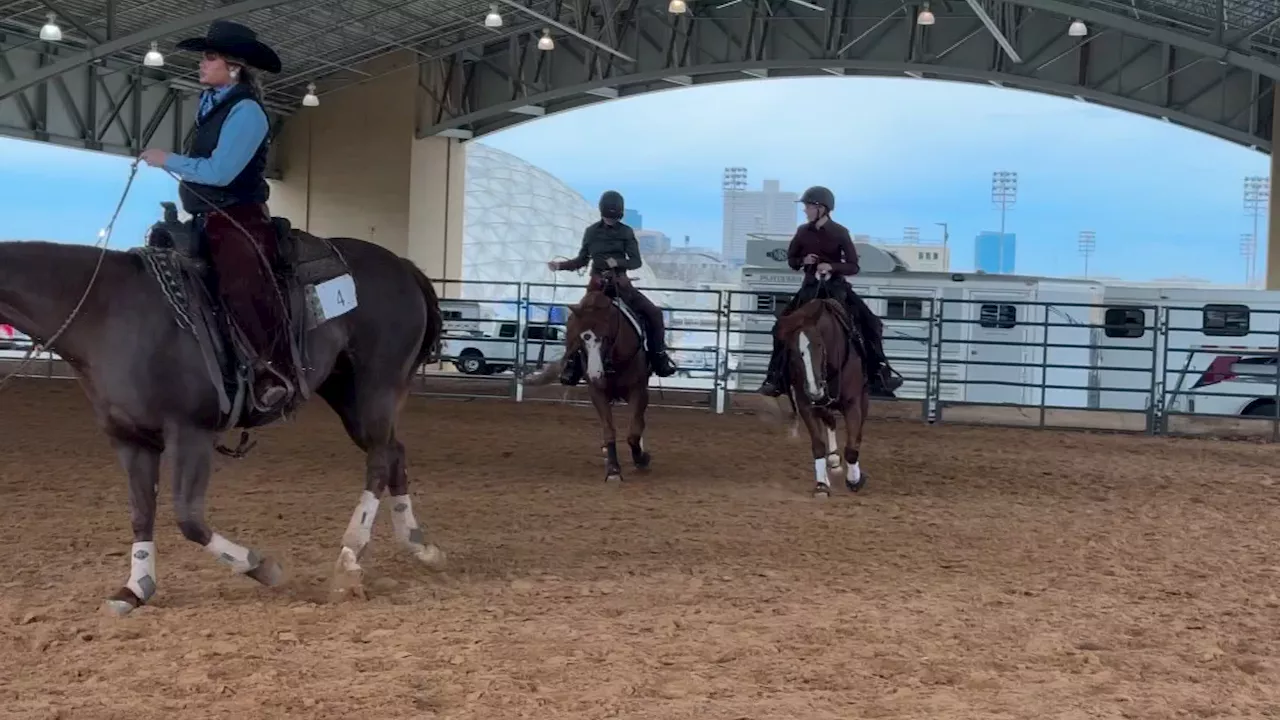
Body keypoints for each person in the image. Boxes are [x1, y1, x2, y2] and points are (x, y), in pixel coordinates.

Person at [138, 20, 293, 414]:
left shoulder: (247, 113)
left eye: (209, 57)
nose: (201, 65)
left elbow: (219, 172)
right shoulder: (213, 105)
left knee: (239, 283)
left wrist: (166, 159)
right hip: (208, 215)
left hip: (238, 217)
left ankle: (269, 369)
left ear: (234, 66)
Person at [757, 185, 904, 398]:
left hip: (836, 289)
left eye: (808, 206)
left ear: (821, 208)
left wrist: (832, 267)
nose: (805, 211)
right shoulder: (802, 232)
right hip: (809, 290)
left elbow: (853, 266)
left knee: (872, 323)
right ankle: (774, 377)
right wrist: (803, 261)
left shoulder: (840, 232)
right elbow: (791, 261)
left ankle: (879, 375)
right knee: (780, 326)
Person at [547, 190, 678, 385]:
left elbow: (635, 262)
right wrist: (560, 266)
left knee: (654, 313)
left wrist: (616, 262)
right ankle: (572, 362)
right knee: (575, 318)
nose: (611, 220)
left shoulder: (626, 232)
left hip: (621, 286)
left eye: (614, 217)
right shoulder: (591, 232)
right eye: (609, 216)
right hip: (596, 288)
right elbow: (583, 260)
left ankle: (658, 356)